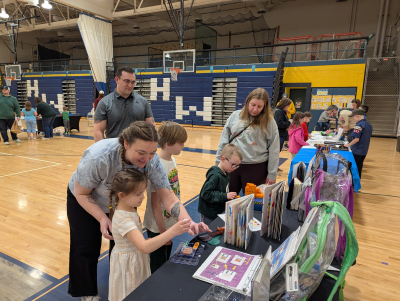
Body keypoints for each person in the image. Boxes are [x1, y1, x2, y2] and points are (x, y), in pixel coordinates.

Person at [67, 121, 209, 300]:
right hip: (86, 197)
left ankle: (119, 281)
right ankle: (87, 292)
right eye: (141, 153)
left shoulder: (152, 161)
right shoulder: (99, 157)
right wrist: (102, 218)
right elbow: (81, 193)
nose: (147, 159)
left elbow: (168, 197)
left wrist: (188, 222)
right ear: (126, 143)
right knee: (86, 246)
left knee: (120, 243)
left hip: (120, 200)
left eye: (152, 153)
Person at [108, 169, 191, 301]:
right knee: (130, 292)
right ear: (122, 195)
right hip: (129, 264)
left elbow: (136, 241)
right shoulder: (124, 218)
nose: (142, 197)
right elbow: (144, 247)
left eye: (143, 192)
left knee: (139, 290)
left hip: (135, 257)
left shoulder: (128, 209)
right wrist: (173, 230)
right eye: (138, 194)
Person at [215, 88, 280, 194]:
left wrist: (272, 173)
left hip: (256, 168)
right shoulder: (235, 116)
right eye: (253, 105)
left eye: (259, 106)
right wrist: (218, 163)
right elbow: (223, 141)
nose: (255, 109)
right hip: (231, 167)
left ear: (264, 106)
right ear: (247, 102)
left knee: (253, 203)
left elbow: (274, 148)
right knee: (228, 200)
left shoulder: (269, 121)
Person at [143, 121, 187, 273]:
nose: (183, 146)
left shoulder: (172, 160)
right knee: (158, 265)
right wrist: (163, 231)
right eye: (181, 144)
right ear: (168, 144)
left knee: (166, 259)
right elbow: (155, 204)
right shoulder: (157, 165)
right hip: (158, 226)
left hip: (168, 222)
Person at [94, 67, 156, 142]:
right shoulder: (104, 103)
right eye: (127, 81)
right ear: (117, 80)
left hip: (138, 150)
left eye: (133, 82)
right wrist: (103, 151)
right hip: (114, 150)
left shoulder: (143, 102)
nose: (130, 85)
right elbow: (98, 131)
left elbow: (152, 128)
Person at [198, 144, 242, 225]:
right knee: (206, 235)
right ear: (223, 159)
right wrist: (225, 196)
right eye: (233, 164)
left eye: (237, 166)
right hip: (209, 214)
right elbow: (206, 193)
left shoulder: (226, 173)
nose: (234, 168)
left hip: (217, 212)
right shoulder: (215, 176)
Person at [344, 109, 373, 178]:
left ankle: (352, 184)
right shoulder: (369, 125)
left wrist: (348, 145)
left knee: (353, 168)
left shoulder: (358, 125)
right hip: (364, 150)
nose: (353, 119)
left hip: (357, 150)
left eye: (353, 118)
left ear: (357, 116)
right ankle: (357, 185)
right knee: (359, 167)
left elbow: (356, 139)